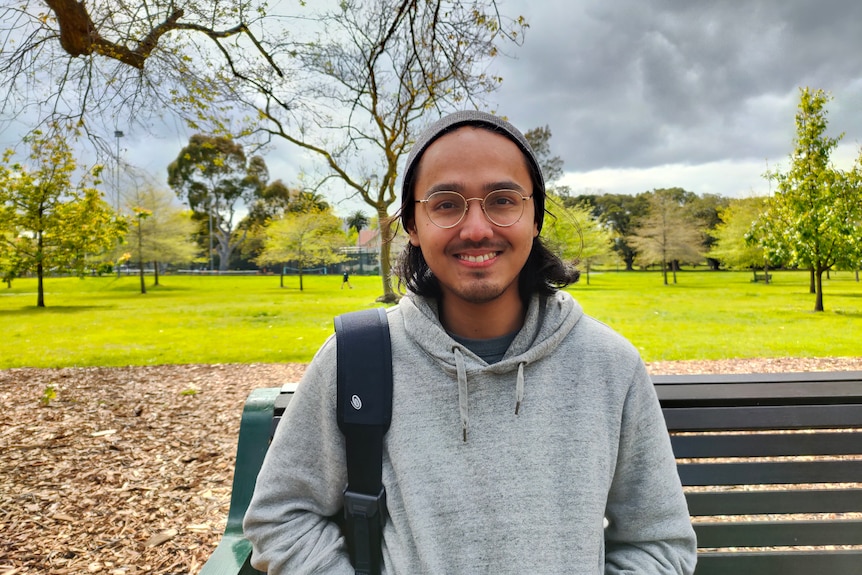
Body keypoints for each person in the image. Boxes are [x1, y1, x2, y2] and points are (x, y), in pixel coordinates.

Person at [243, 110, 697, 574]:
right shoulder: (355, 361)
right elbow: (281, 517)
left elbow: (658, 543)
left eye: (502, 200)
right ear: (413, 227)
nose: (477, 228)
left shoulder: (610, 366)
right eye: (445, 203)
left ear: (535, 217)